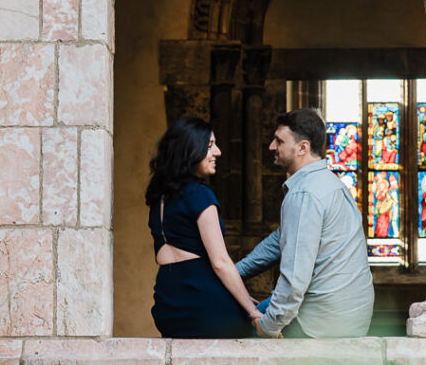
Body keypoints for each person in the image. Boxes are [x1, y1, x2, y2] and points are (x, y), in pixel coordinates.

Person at [236, 108, 374, 339]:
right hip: (351, 313)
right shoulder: (331, 182)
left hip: (321, 322)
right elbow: (281, 239)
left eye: (279, 141)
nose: (271, 146)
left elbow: (294, 279)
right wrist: (234, 273)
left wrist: (269, 327)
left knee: (235, 323)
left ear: (303, 147)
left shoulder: (304, 194)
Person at [146, 116, 260, 338]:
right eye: (209, 146)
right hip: (204, 303)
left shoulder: (159, 198)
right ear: (189, 150)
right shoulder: (200, 195)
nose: (217, 152)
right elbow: (220, 262)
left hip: (167, 305)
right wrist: (250, 308)